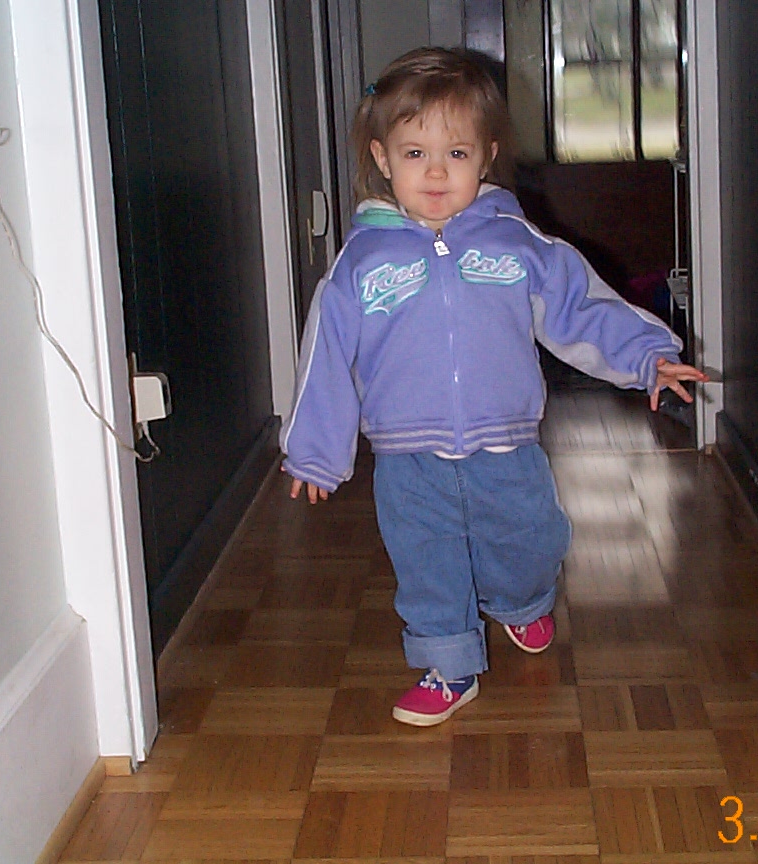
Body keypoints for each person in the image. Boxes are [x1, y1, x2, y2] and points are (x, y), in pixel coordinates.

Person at [280, 47, 708, 726]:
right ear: (383, 158)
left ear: (486, 156)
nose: (436, 171)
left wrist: (646, 357)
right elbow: (324, 358)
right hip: (407, 454)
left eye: (456, 153)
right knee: (426, 561)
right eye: (415, 153)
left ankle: (523, 600)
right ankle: (448, 664)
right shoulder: (362, 261)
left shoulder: (517, 244)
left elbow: (580, 306)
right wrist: (314, 452)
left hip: (506, 443)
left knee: (529, 541)